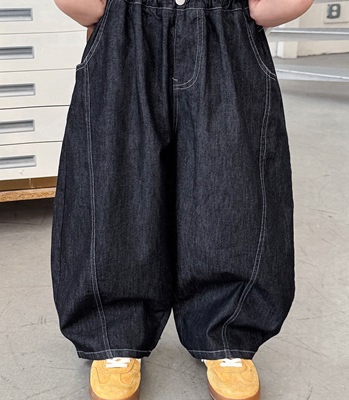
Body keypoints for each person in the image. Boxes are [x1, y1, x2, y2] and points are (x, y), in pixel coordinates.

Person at [50, 0, 313, 399]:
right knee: (114, 187)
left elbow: (268, 8)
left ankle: (227, 334)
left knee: (231, 189)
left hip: (226, 28)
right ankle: (113, 333)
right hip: (125, 28)